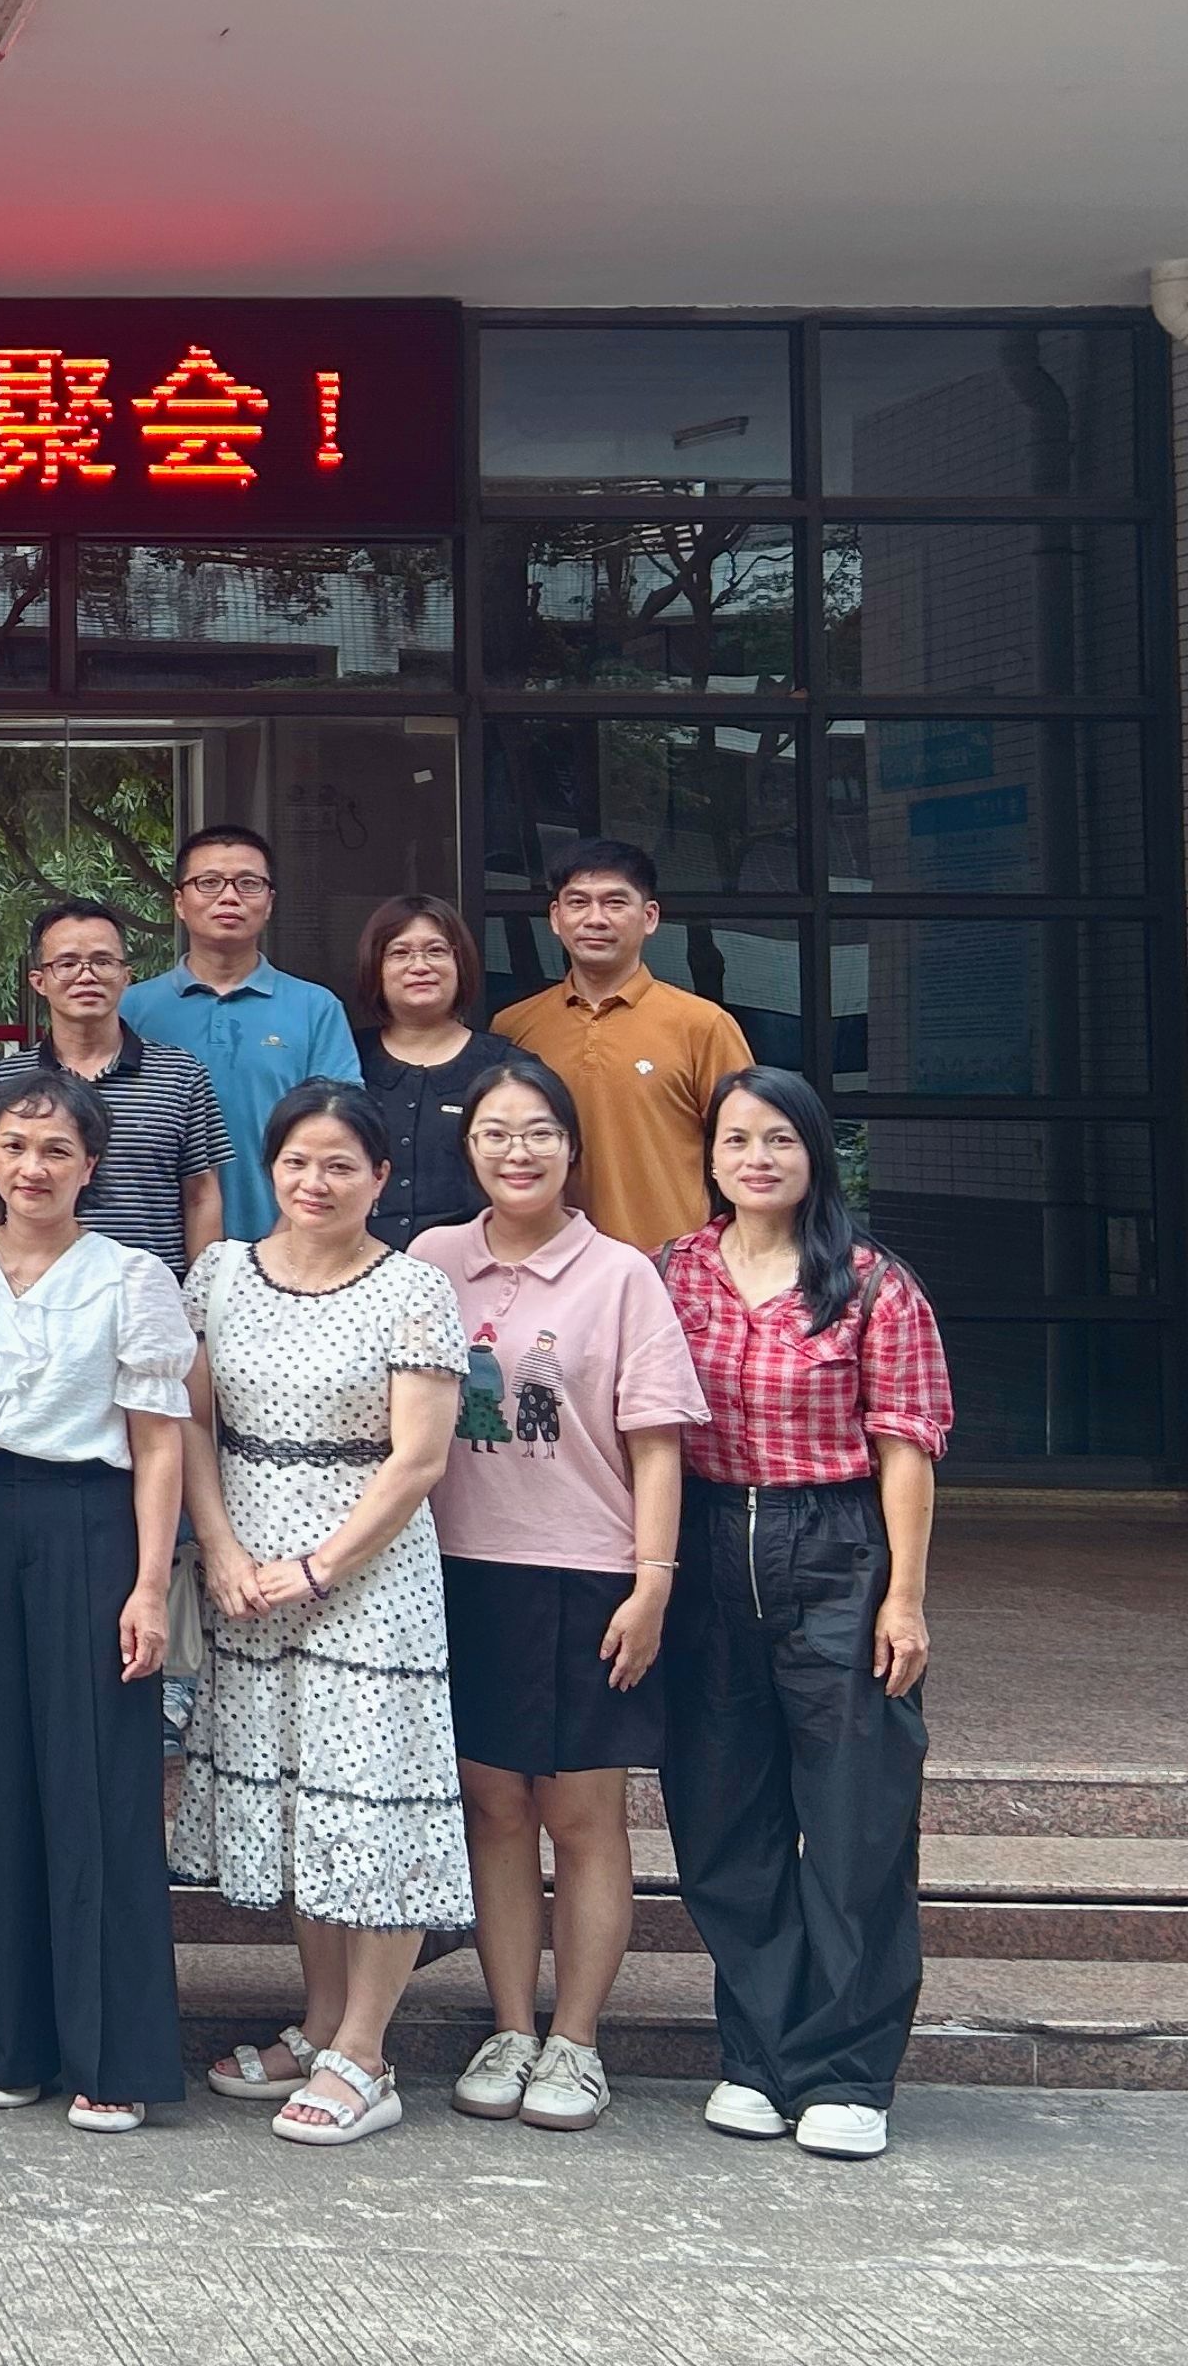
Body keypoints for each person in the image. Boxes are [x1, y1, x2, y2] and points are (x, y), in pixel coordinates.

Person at [656, 1066, 951, 2163]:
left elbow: (906, 1447)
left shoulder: (871, 1283)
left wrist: (904, 1597)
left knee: (854, 1821)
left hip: (835, 1548)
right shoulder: (672, 1273)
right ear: (712, 1157)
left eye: (780, 1138)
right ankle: (761, 2056)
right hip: (703, 1543)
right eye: (738, 1139)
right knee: (719, 1818)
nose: (758, 1158)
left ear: (815, 1152)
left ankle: (847, 2073)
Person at [172, 1081, 473, 2151]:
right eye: (298, 1161)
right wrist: (221, 1550)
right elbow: (190, 1425)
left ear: (380, 1178)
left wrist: (319, 1565)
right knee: (303, 1799)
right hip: (247, 1573)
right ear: (271, 1168)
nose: (317, 1181)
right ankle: (321, 2021)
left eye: (342, 1164)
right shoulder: (218, 1276)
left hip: (369, 1582)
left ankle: (366, 2052)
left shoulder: (415, 1288)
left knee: (372, 1802)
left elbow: (420, 1458)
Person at [0, 1068, 192, 2131]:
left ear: (90, 1166)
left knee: (99, 1785)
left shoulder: (131, 1277)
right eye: (16, 1146)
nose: (34, 1167)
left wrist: (149, 1584)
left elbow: (160, 1444)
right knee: (1, 1787)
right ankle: (8, 2039)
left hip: (89, 1528)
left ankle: (112, 2054)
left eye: (58, 1149)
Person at [409, 1055, 705, 2135]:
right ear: (469, 1149)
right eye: (495, 1133)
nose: (517, 1151)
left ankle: (575, 2040)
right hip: (458, 1569)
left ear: (573, 1150)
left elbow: (657, 1444)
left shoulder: (622, 1274)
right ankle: (508, 2027)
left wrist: (652, 1582)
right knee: (492, 1809)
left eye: (539, 1132)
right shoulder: (432, 1260)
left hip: (588, 1569)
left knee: (581, 1815)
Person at [492, 840, 759, 1258]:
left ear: (649, 917)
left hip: (671, 1267)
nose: (595, 918)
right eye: (578, 902)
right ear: (556, 917)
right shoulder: (513, 1027)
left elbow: (749, 1149)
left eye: (615, 902)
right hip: (543, 1265)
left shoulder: (703, 1025)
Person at [123, 824, 358, 1244]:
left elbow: (339, 1129)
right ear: (179, 902)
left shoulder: (315, 1008)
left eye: (248, 884)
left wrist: (282, 1241)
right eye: (209, 882)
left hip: (286, 1244)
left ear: (269, 903)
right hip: (151, 1246)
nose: (229, 896)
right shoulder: (131, 1009)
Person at [0, 901, 224, 1279]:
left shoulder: (182, 1076)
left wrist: (199, 1298)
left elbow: (201, 1197)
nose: (86, 976)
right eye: (67, 963)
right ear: (39, 981)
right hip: (33, 1294)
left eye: (103, 961)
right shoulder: (4, 1082)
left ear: (127, 976)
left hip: (151, 1295)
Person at [350, 894, 518, 1246]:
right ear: (375, 966)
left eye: (436, 951)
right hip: (357, 1265)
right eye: (399, 953)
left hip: (478, 1264)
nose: (420, 966)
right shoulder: (346, 1057)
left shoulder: (507, 1067)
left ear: (460, 963)